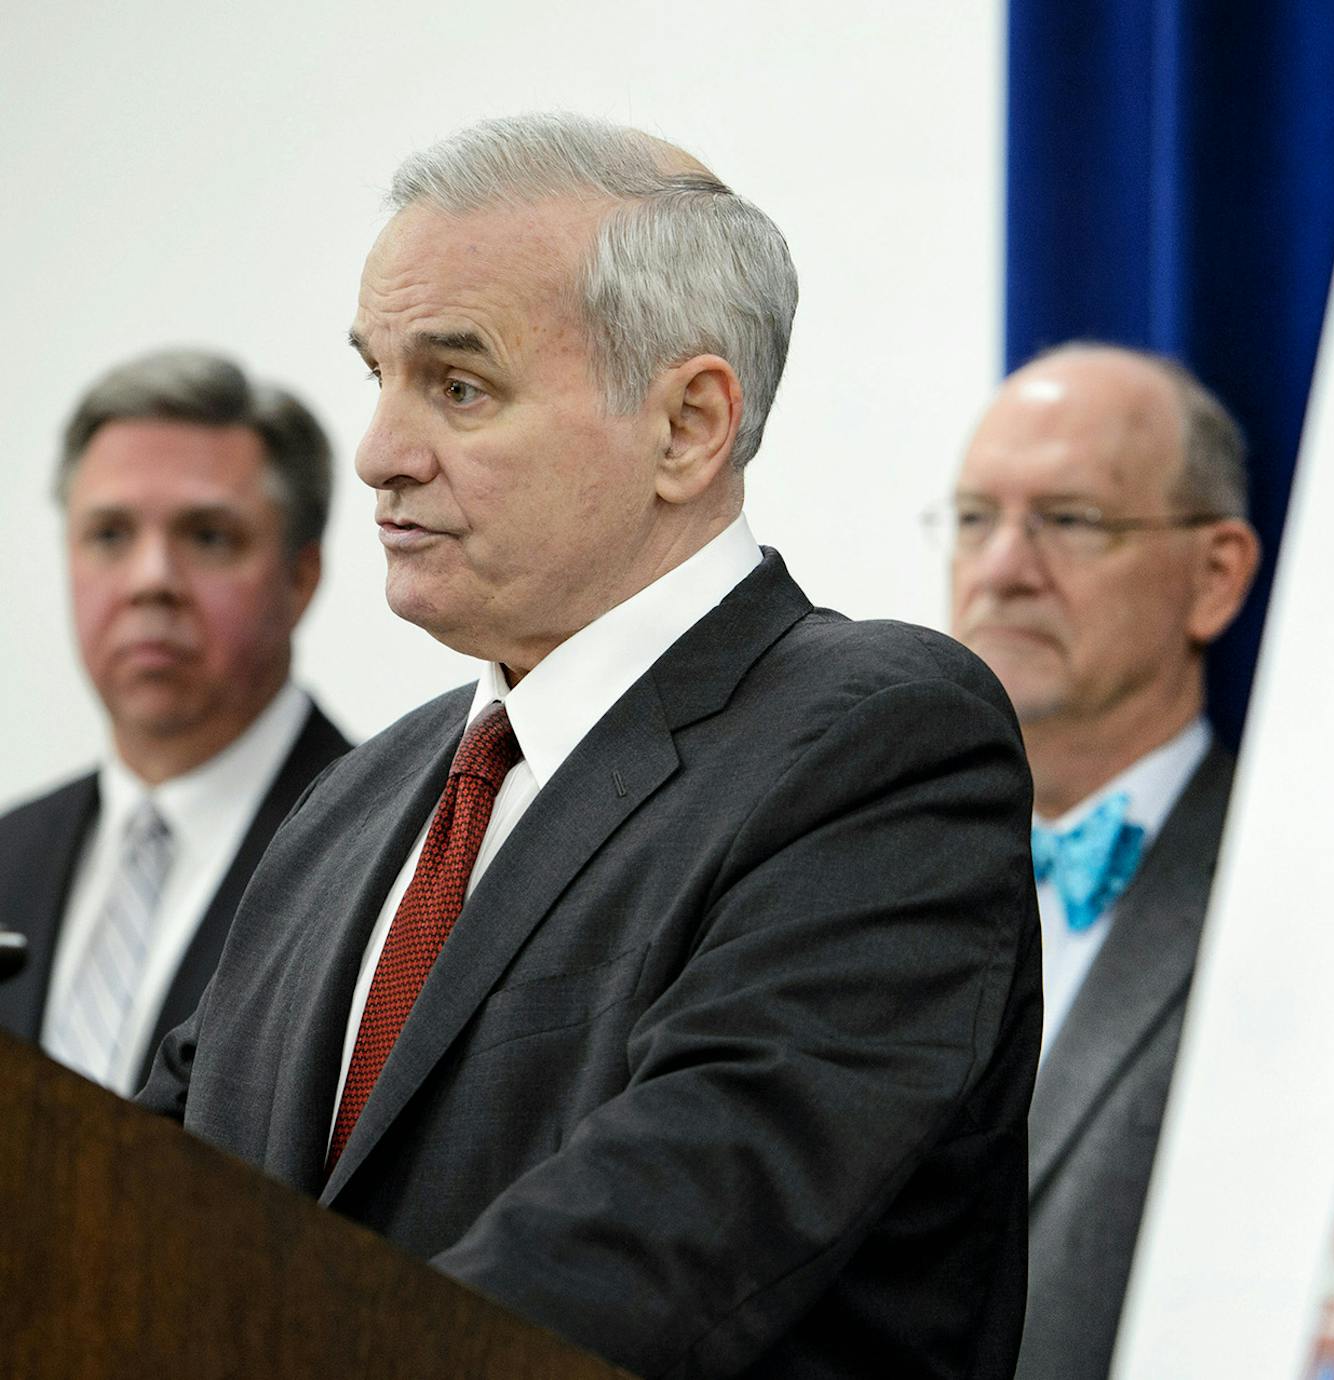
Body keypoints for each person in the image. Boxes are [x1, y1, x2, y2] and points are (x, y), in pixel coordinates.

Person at [137, 114, 1041, 1379]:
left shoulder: (878, 743)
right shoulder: (355, 801)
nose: (381, 456)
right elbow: (137, 1206)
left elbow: (665, 1240)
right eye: (377, 377)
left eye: (458, 386)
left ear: (687, 425)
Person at [939, 344, 1262, 1379]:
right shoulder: (858, 885)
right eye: (975, 519)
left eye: (1070, 521)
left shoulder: (1287, 895)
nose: (1002, 571)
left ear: (1214, 578)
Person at [0, 349, 349, 1095]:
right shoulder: (8, 855)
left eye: (207, 537)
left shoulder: (393, 845)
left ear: (301, 578)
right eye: (110, 535)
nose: (150, 581)